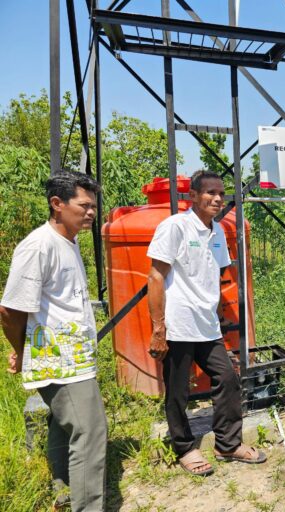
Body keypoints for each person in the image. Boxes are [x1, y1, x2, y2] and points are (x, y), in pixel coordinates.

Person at [147, 170, 266, 477]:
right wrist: (158, 329)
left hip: (206, 325)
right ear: (193, 197)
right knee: (178, 391)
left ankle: (227, 444)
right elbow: (156, 276)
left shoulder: (216, 232)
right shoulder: (174, 227)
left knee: (227, 379)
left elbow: (216, 274)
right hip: (178, 324)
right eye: (210, 192)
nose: (217, 198)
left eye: (220, 193)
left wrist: (217, 311)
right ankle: (185, 448)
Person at [0, 171, 107, 511]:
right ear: (57, 204)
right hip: (59, 360)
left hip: (73, 357)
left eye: (93, 206)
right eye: (84, 205)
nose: (91, 212)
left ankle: (64, 490)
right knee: (90, 433)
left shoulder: (69, 240)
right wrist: (21, 350)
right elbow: (10, 309)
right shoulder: (38, 246)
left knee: (65, 427)